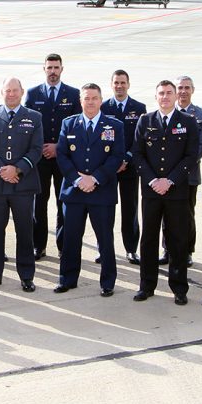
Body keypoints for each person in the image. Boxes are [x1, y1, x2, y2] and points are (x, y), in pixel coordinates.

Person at [55, 83, 126, 296]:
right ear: (81, 101)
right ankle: (67, 279)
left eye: (94, 98)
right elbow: (62, 155)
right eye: (87, 98)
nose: (91, 102)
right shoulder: (69, 124)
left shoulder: (114, 126)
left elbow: (117, 156)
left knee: (105, 240)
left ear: (101, 100)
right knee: (70, 239)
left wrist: (94, 178)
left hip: (101, 192)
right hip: (75, 192)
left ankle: (107, 282)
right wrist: (78, 180)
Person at [133, 80, 199, 305]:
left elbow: (190, 156)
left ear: (175, 96)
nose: (165, 97)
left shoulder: (188, 122)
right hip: (151, 191)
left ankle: (179, 287)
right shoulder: (145, 120)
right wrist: (153, 180)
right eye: (161, 93)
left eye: (169, 93)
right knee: (149, 239)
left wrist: (170, 180)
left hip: (176, 191)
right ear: (156, 97)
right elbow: (138, 155)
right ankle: (147, 285)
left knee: (177, 240)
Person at [0, 77, 44, 292]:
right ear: (2, 92)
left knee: (24, 231)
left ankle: (26, 276)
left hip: (22, 184)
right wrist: (1, 169)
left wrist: (16, 169)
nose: (12, 94)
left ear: (22, 92)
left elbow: (36, 149)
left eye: (15, 91)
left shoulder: (34, 117)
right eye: (8, 91)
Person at [24, 53, 81, 259]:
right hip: (39, 160)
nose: (53, 71)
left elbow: (77, 127)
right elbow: (28, 127)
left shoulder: (74, 95)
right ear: (44, 69)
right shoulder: (32, 94)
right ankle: (39, 245)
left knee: (63, 202)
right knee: (38, 202)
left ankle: (62, 245)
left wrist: (59, 146)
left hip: (64, 158)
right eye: (49, 68)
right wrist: (40, 148)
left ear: (62, 69)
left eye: (56, 68)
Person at [100, 69, 145, 265]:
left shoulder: (139, 107)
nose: (119, 86)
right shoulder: (103, 107)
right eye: (116, 82)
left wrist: (126, 158)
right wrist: (112, 162)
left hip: (130, 167)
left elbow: (139, 138)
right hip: (109, 168)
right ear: (111, 85)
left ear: (128, 84)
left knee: (130, 209)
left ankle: (131, 249)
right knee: (105, 210)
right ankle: (105, 250)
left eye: (122, 82)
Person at [173, 75, 202, 267]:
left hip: (189, 174)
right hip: (168, 175)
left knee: (187, 213)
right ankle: (168, 249)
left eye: (187, 88)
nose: (183, 91)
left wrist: (181, 166)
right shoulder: (168, 112)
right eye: (180, 88)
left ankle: (187, 250)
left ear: (193, 90)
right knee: (167, 213)